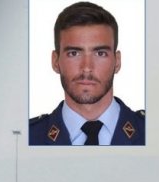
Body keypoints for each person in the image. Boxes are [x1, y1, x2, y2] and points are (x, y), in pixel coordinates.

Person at [29, 1, 145, 145]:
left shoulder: (152, 132)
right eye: (74, 53)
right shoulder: (28, 137)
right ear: (55, 61)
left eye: (100, 53)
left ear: (117, 62)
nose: (86, 67)